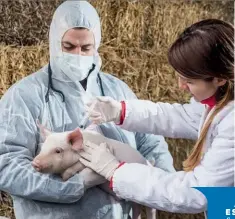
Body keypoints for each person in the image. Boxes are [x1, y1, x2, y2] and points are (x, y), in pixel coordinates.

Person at [0, 1, 174, 219]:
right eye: (69, 47)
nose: (78, 55)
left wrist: (163, 187)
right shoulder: (25, 96)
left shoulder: (117, 89)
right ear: (54, 42)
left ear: (97, 45)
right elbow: (7, 164)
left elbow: (150, 142)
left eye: (86, 48)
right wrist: (76, 184)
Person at [79, 19, 234, 215]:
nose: (180, 86)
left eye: (189, 81)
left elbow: (197, 193)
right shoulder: (220, 100)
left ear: (219, 78)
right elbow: (183, 117)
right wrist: (121, 111)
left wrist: (116, 172)